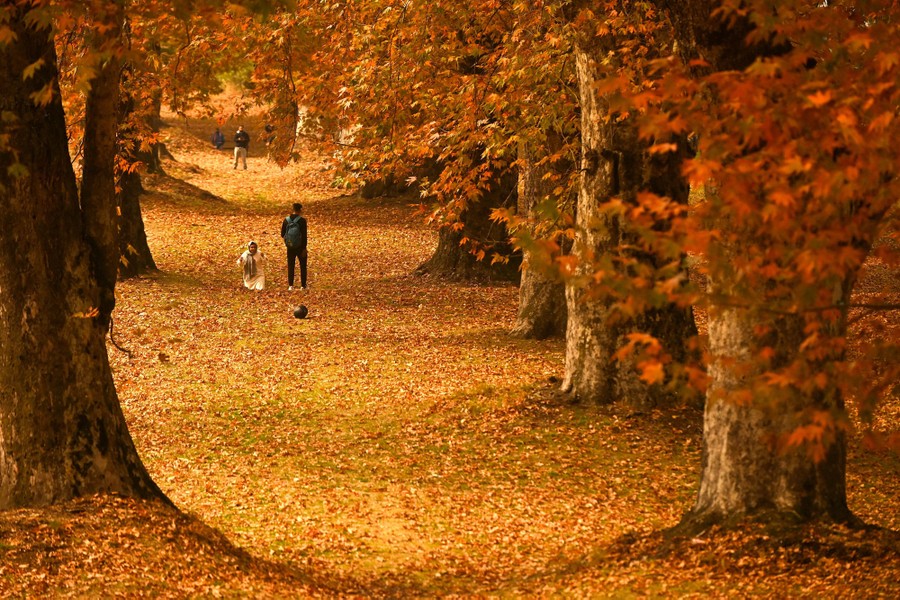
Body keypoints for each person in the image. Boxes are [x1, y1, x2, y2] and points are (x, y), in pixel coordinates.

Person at [280, 203, 308, 291]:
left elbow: (282, 234)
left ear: (292, 209)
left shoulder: (286, 220)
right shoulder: (302, 221)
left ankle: (291, 285)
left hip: (290, 246)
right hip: (300, 247)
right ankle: (303, 286)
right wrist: (304, 248)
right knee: (303, 266)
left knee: (291, 265)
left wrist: (288, 240)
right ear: (300, 210)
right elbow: (304, 236)